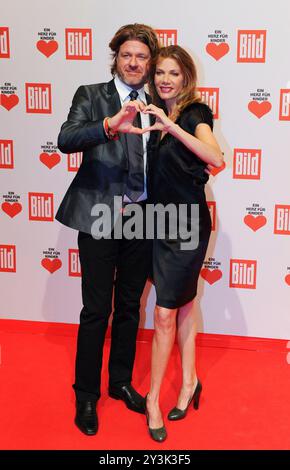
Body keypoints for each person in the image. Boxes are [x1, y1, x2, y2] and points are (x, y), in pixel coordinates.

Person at [55, 24, 159, 436]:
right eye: (127, 55)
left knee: (130, 307)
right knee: (97, 310)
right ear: (115, 57)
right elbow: (66, 139)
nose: (134, 63)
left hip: (142, 216)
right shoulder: (91, 94)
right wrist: (109, 124)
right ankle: (86, 394)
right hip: (99, 214)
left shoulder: (157, 101)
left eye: (142, 57)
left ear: (151, 63)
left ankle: (119, 382)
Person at [141, 45, 224, 441]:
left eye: (173, 73)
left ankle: (153, 398)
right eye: (159, 73)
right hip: (157, 224)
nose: (164, 80)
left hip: (188, 227)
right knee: (184, 305)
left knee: (163, 315)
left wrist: (173, 127)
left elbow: (216, 158)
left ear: (186, 77)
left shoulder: (194, 114)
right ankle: (189, 382)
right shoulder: (157, 114)